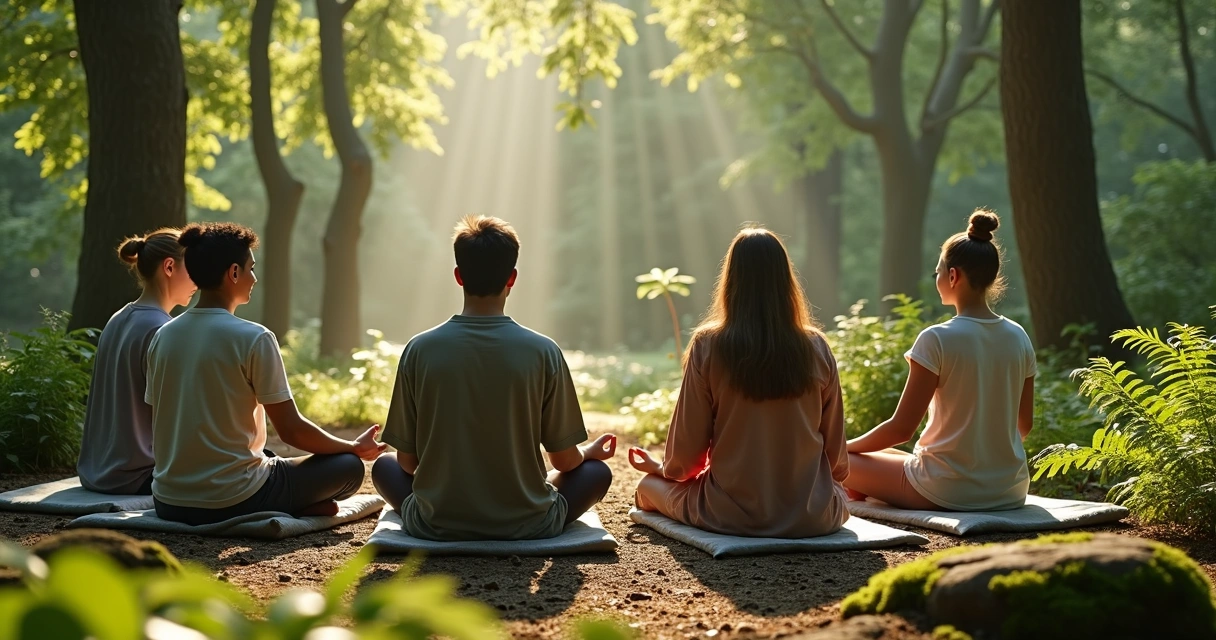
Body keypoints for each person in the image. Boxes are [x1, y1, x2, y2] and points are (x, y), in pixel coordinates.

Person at [370, 215, 616, 541]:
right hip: (530, 523)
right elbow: (566, 462)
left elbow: (408, 462)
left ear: (458, 276)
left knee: (384, 466)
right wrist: (590, 453)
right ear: (512, 278)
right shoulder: (544, 351)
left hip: (435, 523)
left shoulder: (419, 350)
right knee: (596, 472)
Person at [146, 222, 385, 525]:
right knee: (348, 467)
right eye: (250, 268)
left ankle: (291, 502)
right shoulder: (253, 337)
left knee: (267, 454)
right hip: (234, 498)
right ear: (233, 273)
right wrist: (352, 447)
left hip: (169, 501)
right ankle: (288, 505)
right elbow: (292, 431)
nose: (254, 278)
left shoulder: (162, 336)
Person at [627, 227, 850, 538]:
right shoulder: (817, 347)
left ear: (731, 281)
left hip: (728, 515)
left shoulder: (708, 345)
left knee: (646, 488)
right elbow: (838, 463)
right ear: (786, 281)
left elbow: (684, 465)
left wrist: (660, 469)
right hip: (814, 517)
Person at [843, 210, 1036, 511]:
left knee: (838, 462)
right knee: (890, 457)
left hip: (946, 489)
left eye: (938, 272)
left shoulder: (937, 338)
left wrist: (839, 449)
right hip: (1009, 489)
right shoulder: (1019, 336)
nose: (937, 278)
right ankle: (868, 487)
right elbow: (1023, 425)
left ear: (953, 276)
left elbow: (901, 429)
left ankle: (860, 486)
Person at [77, 229, 197, 495]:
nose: (197, 281)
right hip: (138, 476)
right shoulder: (162, 330)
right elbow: (174, 418)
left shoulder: (117, 318)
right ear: (169, 266)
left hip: (97, 471)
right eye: (192, 268)